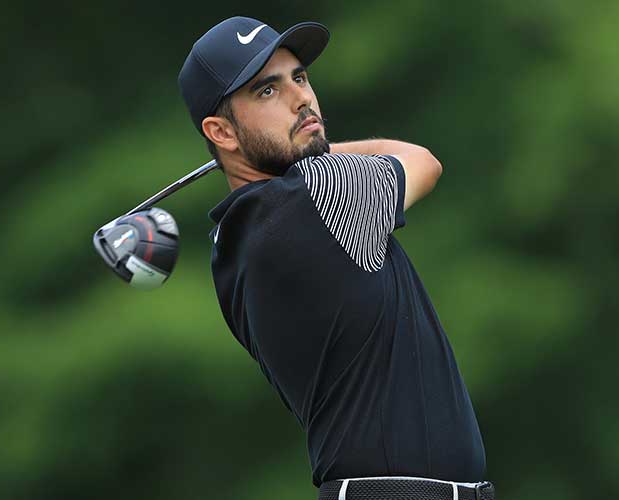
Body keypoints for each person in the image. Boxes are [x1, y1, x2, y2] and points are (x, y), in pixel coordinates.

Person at [178, 17, 494, 500]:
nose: (301, 99)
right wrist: (309, 149)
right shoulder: (316, 194)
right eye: (267, 91)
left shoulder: (231, 243)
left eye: (299, 78)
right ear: (221, 131)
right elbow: (422, 161)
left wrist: (287, 147)